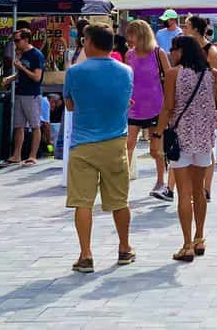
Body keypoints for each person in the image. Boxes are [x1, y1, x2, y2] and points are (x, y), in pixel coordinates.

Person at [159, 35, 217, 262]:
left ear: (181, 51)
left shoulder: (174, 74)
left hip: (181, 137)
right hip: (204, 137)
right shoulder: (210, 73)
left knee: (183, 193)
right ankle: (200, 238)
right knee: (199, 191)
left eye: (173, 49)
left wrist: (157, 132)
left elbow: (168, 107)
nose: (171, 53)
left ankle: (186, 245)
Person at [63, 24, 134, 273]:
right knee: (119, 201)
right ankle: (124, 248)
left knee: (83, 202)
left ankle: (86, 254)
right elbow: (126, 101)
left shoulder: (74, 72)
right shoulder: (126, 71)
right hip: (115, 141)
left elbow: (69, 105)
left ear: (90, 43)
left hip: (83, 144)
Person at [125, 20, 173, 201]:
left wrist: (170, 105)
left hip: (156, 106)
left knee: (155, 149)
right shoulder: (129, 55)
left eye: (132, 34)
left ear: (141, 35)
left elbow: (169, 78)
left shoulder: (158, 53)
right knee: (128, 145)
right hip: (134, 106)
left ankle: (161, 181)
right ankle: (123, 183)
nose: (129, 39)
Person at [183, 16, 217, 201]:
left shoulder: (211, 51)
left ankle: (206, 188)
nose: (183, 29)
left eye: (187, 26)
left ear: (197, 30)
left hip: (208, 105)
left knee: (207, 146)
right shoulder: (188, 49)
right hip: (189, 106)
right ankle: (191, 188)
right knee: (190, 146)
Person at [3, 29, 45, 166]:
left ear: (26, 40)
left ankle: (32, 156)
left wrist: (21, 68)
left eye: (17, 40)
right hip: (20, 92)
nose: (15, 44)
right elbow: (21, 73)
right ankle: (17, 154)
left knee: (34, 125)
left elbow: (37, 77)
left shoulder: (36, 55)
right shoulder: (23, 54)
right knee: (18, 125)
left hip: (31, 94)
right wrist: (10, 78)